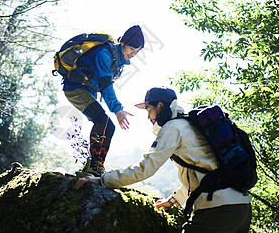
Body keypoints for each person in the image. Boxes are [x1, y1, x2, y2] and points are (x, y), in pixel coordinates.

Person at [75, 87, 252, 233]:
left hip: (217, 211)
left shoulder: (173, 127)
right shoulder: (191, 126)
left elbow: (145, 169)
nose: (148, 117)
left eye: (149, 110)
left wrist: (103, 180)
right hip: (241, 209)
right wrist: (175, 200)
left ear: (160, 106)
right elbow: (207, 174)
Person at [63, 25, 144, 176]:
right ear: (123, 42)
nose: (133, 53)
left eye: (137, 51)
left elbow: (104, 84)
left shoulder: (118, 61)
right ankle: (93, 166)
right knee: (102, 120)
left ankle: (96, 165)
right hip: (75, 88)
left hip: (86, 90)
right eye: (132, 48)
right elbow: (105, 83)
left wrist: (116, 109)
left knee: (109, 126)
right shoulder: (105, 54)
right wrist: (117, 109)